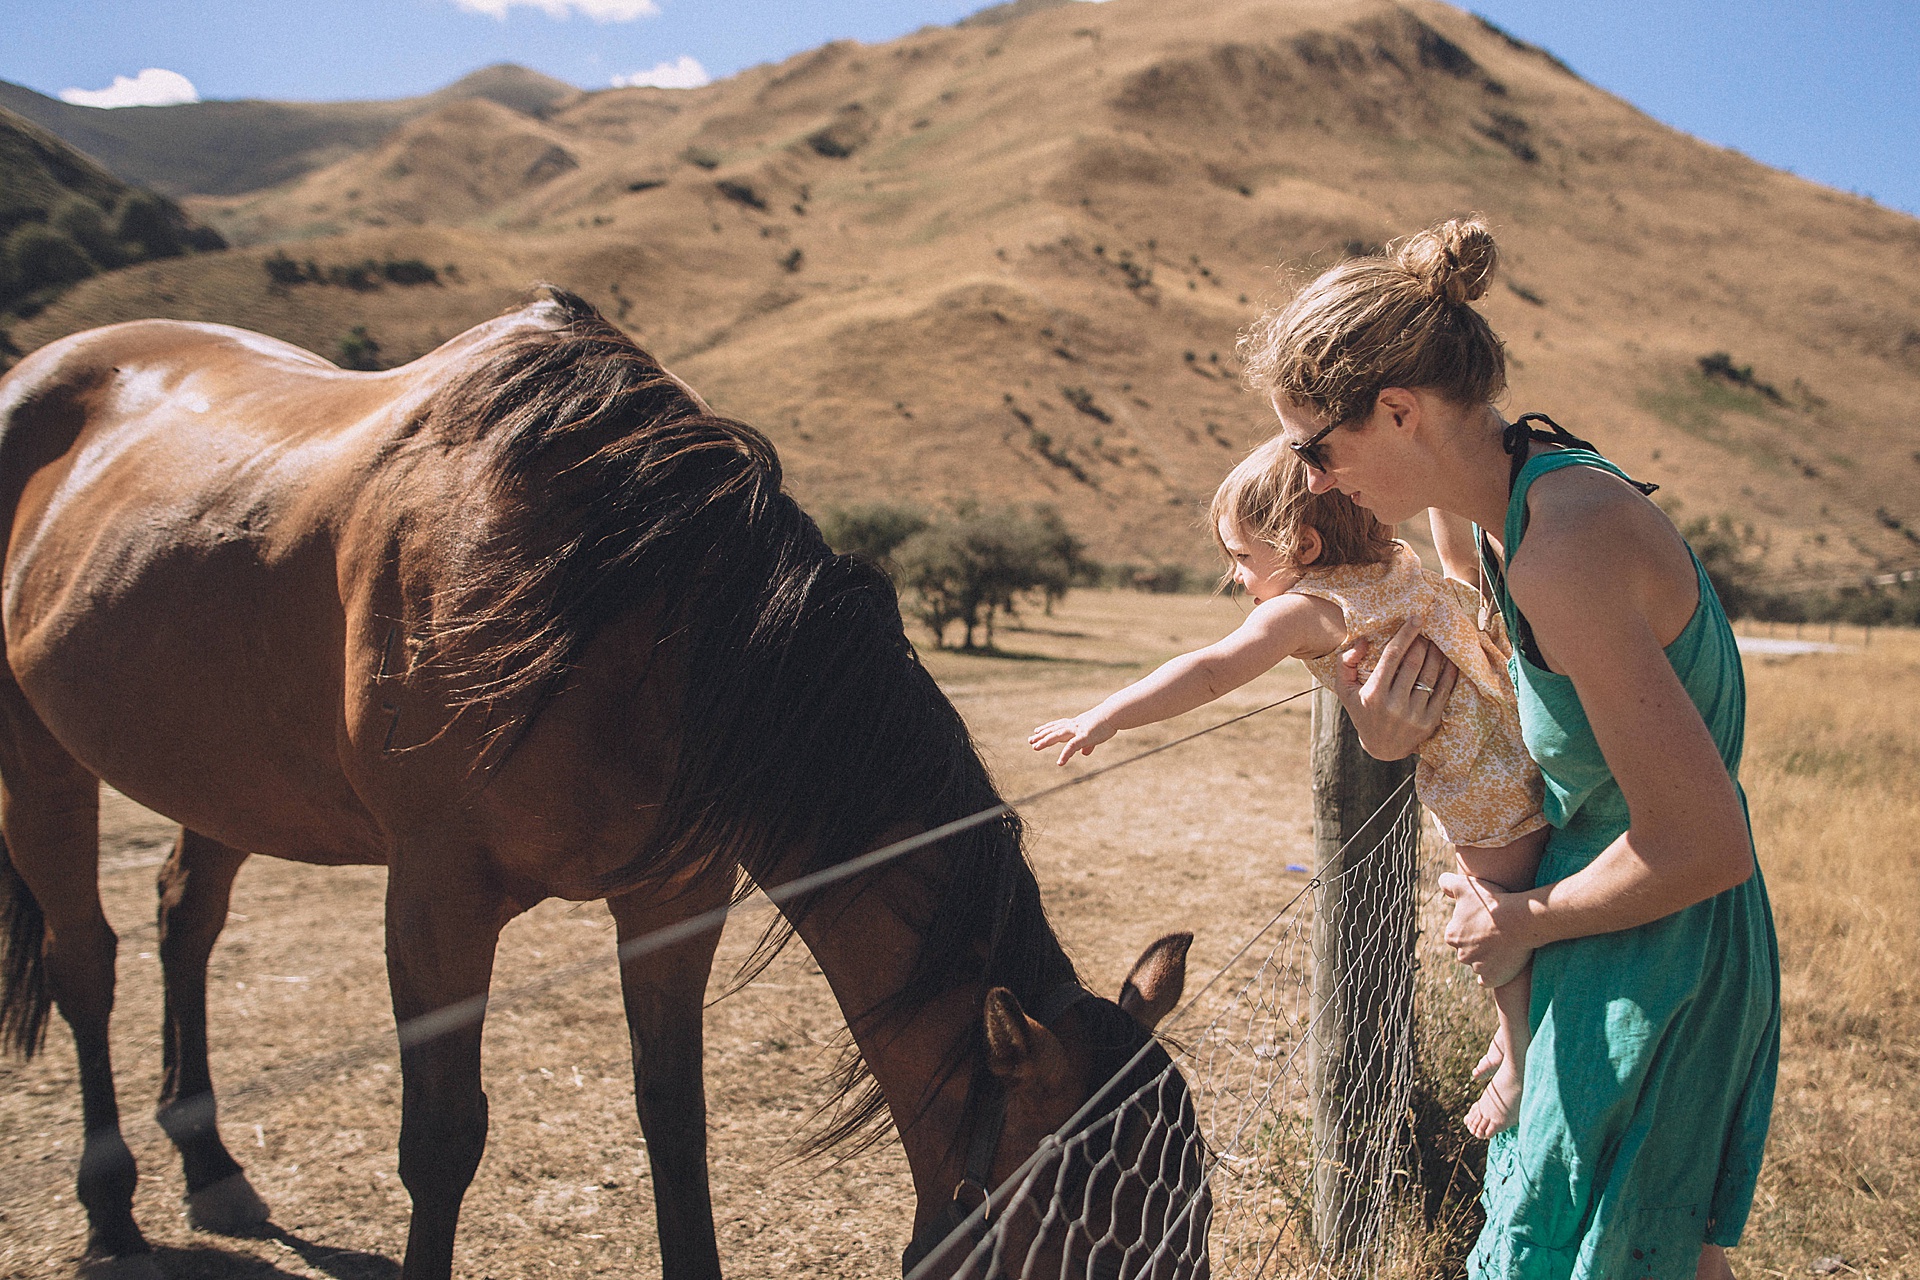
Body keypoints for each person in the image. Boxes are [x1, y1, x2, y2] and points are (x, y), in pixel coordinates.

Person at [1237, 216, 1779, 1280]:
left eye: (1317, 448)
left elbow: (1707, 840)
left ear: (1398, 410)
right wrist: (1389, 735)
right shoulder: (1494, 516)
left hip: (1658, 941)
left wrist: (1518, 920)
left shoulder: (1563, 549)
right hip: (1616, 924)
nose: (1315, 483)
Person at [1030, 437, 1549, 1138]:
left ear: (1302, 545)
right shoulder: (1392, 559)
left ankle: (1519, 1054)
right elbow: (1449, 543)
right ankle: (1510, 1030)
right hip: (1516, 739)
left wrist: (1107, 715)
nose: (1236, 577)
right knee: (1501, 904)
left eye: (1244, 557)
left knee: (1494, 920)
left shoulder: (1307, 609)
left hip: (1481, 787)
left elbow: (1211, 669)